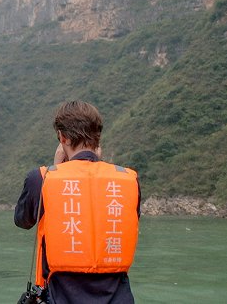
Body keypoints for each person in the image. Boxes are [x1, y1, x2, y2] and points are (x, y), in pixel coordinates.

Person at [14, 101, 140, 304]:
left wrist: (57, 169)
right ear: (98, 138)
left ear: (62, 138)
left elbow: (23, 220)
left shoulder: (41, 178)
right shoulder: (128, 179)